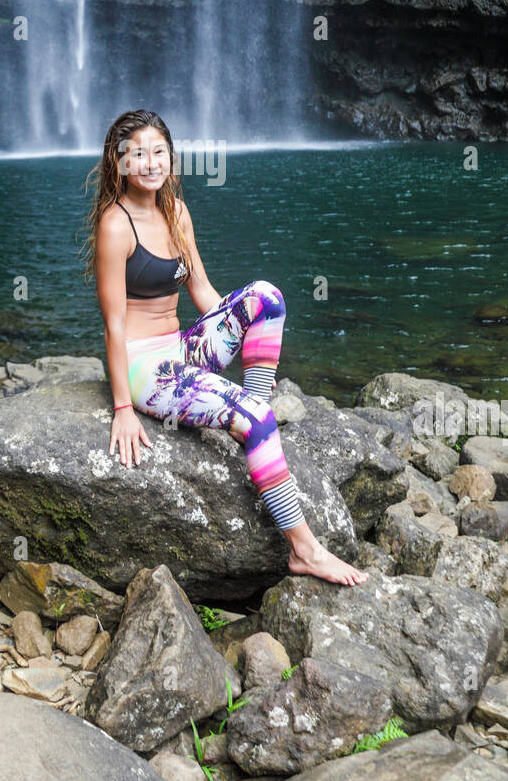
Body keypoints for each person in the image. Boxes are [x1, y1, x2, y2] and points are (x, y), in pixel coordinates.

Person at [82, 108, 368, 587]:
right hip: (145, 369)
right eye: (138, 155)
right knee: (256, 423)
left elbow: (203, 293)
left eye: (159, 152)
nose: (151, 163)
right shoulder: (115, 224)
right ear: (120, 163)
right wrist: (122, 408)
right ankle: (305, 549)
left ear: (170, 158)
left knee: (266, 297)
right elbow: (113, 325)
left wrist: (238, 326)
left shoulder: (174, 209)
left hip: (179, 348)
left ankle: (254, 405)